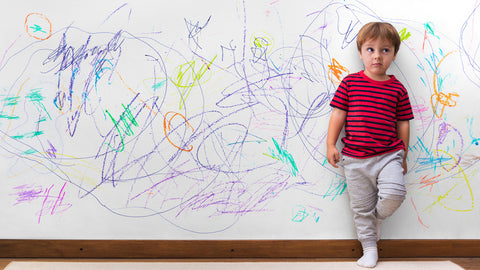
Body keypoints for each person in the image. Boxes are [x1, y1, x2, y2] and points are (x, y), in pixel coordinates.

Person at [326, 22, 414, 268]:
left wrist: (403, 155)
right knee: (360, 207)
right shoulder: (350, 83)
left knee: (395, 194)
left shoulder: (397, 88)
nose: (377, 56)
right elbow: (338, 114)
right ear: (361, 52)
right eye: (370, 49)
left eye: (385, 50)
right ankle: (369, 248)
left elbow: (404, 123)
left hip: (389, 155)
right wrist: (330, 143)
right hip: (355, 159)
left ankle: (375, 217)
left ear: (394, 54)